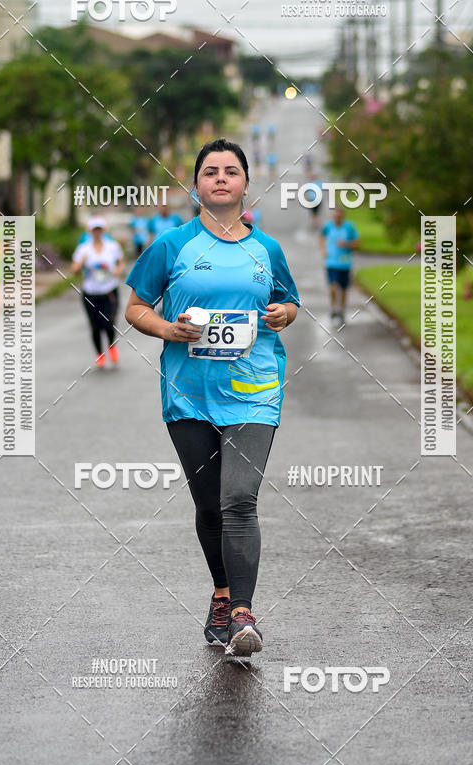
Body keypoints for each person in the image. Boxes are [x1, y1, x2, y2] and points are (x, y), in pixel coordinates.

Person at [125, 137, 300, 657]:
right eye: (210, 172)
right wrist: (166, 329)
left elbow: (289, 303)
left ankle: (243, 613)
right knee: (209, 505)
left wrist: (281, 316)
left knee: (239, 499)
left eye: (230, 171)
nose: (220, 178)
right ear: (197, 184)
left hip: (255, 390)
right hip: (189, 394)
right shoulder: (171, 245)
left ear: (246, 183)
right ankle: (221, 593)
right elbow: (135, 307)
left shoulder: (266, 249)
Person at [71, 216, 124, 368]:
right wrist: (81, 262)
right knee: (95, 325)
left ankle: (112, 347)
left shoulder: (112, 246)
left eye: (99, 229)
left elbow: (121, 261)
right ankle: (99, 353)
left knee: (109, 322)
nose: (97, 233)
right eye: (94, 230)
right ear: (90, 231)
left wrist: (118, 271)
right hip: (90, 292)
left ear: (103, 231)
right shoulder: (83, 249)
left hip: (109, 290)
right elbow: (74, 269)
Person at [318, 206, 360, 326]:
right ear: (333, 216)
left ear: (343, 216)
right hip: (331, 263)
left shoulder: (349, 227)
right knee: (332, 286)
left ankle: (342, 310)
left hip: (345, 263)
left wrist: (347, 244)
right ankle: (333, 308)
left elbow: (357, 242)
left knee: (343, 289)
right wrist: (323, 250)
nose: (337, 218)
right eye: (335, 216)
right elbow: (321, 237)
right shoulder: (328, 226)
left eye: (339, 216)